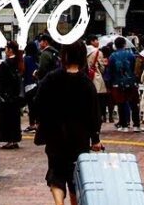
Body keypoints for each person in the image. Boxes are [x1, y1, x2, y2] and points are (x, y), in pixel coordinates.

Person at [34, 40, 104, 205]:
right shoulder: (86, 83)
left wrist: (42, 121)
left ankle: (59, 203)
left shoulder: (51, 78)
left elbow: (37, 102)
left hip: (55, 134)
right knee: (76, 177)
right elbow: (94, 114)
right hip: (79, 137)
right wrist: (95, 139)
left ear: (63, 55)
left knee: (56, 173)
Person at [107, 37, 141, 132]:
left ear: (115, 45)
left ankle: (124, 125)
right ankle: (136, 125)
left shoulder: (112, 56)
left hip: (118, 83)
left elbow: (110, 71)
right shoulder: (131, 55)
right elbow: (135, 68)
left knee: (121, 103)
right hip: (131, 82)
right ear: (125, 44)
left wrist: (110, 84)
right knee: (134, 104)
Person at [0, 41, 24, 150]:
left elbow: (2, 80)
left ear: (10, 50)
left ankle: (9, 140)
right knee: (15, 118)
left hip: (7, 95)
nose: (5, 50)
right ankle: (14, 139)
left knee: (6, 119)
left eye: (6, 48)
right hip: (16, 95)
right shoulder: (19, 61)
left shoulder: (5, 63)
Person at [86, 38, 110, 127]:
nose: (97, 41)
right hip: (96, 78)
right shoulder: (97, 52)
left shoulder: (82, 50)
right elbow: (101, 67)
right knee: (98, 101)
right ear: (91, 41)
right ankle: (98, 119)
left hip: (85, 78)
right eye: (95, 39)